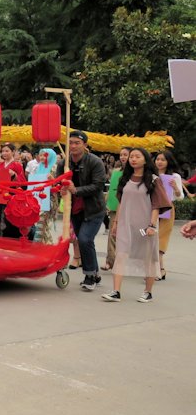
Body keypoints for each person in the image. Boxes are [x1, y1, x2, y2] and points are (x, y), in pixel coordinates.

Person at [102, 148, 172, 303]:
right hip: (126, 224)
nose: (133, 159)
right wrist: (116, 223)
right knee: (121, 254)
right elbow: (121, 202)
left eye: (137, 156)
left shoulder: (154, 180)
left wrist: (152, 225)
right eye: (131, 156)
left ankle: (148, 292)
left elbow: (157, 205)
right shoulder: (125, 179)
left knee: (148, 256)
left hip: (144, 227)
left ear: (145, 160)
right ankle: (116, 291)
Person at [57, 130, 107, 291]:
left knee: (85, 240)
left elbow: (98, 185)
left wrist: (75, 190)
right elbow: (58, 182)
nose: (73, 146)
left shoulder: (95, 162)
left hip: (94, 209)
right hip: (74, 210)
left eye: (77, 143)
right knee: (84, 241)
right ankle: (95, 273)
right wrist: (61, 189)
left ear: (85, 145)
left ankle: (90, 275)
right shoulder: (64, 163)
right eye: (70, 143)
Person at [154, 150, 183, 280]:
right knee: (150, 236)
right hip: (153, 208)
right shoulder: (151, 174)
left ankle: (158, 270)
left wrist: (175, 188)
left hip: (167, 209)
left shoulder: (174, 176)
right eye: (157, 159)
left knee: (162, 238)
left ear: (168, 162)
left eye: (162, 160)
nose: (159, 162)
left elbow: (180, 197)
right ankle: (159, 269)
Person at [103, 147, 130, 270]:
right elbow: (112, 189)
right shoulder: (116, 171)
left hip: (131, 208)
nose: (123, 157)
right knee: (113, 234)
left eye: (126, 154)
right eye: (121, 155)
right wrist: (107, 202)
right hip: (115, 207)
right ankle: (110, 261)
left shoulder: (136, 173)